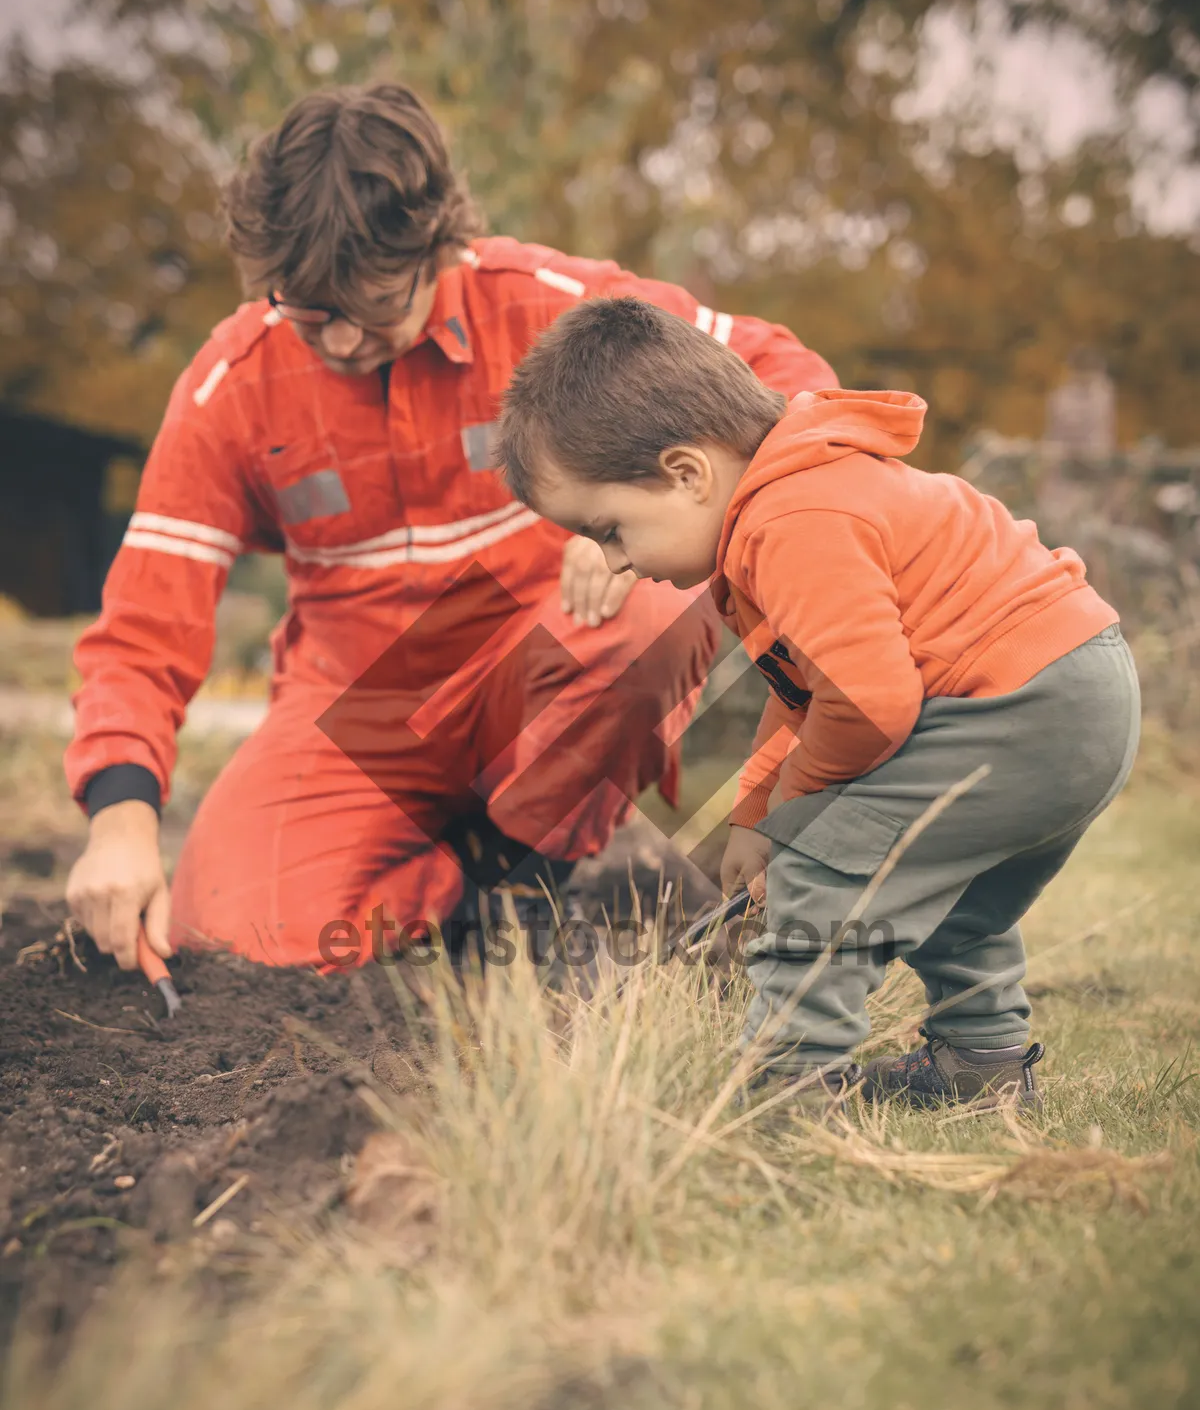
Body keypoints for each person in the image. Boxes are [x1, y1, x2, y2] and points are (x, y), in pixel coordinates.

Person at [64, 84, 836, 972]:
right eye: (312, 313)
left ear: (438, 245)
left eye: (378, 306)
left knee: (649, 614)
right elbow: (142, 628)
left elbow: (793, 381)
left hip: (543, 642)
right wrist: (120, 823)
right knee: (232, 934)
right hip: (358, 701)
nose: (346, 342)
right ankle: (465, 892)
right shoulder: (228, 387)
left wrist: (622, 529)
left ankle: (532, 864)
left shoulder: (550, 304)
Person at [495, 297, 1141, 1108]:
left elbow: (869, 708)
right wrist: (755, 814)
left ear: (686, 474)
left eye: (611, 530)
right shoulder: (785, 501)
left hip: (1019, 707)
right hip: (1073, 693)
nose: (612, 563)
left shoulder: (792, 519)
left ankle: (786, 1088)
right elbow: (809, 694)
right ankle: (983, 1072)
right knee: (953, 897)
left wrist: (794, 823)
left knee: (821, 881)